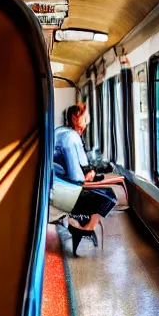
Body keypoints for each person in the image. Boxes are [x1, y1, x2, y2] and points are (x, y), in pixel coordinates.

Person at [52, 103, 116, 246]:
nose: (87, 123)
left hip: (53, 187)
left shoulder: (60, 132)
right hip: (64, 194)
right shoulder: (72, 137)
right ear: (75, 118)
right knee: (109, 196)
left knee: (95, 192)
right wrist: (91, 176)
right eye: (85, 118)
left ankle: (78, 223)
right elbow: (78, 178)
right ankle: (85, 229)